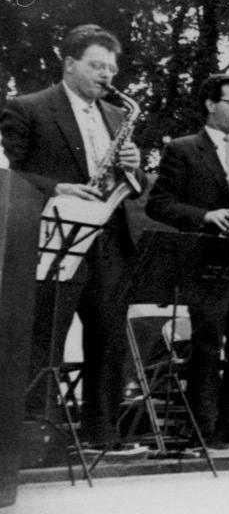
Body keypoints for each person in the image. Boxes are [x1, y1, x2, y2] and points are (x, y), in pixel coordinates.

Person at [0, 24, 146, 453]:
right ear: (69, 64)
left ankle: (103, 434)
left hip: (109, 239)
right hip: (56, 237)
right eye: (97, 66)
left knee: (109, 338)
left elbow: (131, 185)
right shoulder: (26, 108)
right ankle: (34, 437)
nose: (107, 76)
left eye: (112, 69)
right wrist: (57, 189)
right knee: (46, 338)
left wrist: (133, 168)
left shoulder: (118, 117)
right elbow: (11, 176)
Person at [146, 73, 229, 451]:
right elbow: (158, 204)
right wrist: (206, 216)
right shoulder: (183, 149)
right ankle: (204, 431)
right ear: (210, 104)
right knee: (206, 346)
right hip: (205, 260)